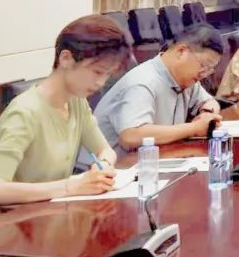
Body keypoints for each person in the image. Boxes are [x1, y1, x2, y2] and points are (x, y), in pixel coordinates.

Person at [0, 15, 131, 205]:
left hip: (54, 213)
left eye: (107, 75)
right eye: (97, 72)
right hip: (20, 219)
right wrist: (70, 187)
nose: (101, 83)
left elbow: (105, 151)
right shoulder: (24, 112)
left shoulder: (77, 102)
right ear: (66, 58)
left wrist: (103, 167)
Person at [86, 24, 224, 169]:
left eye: (209, 70)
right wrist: (194, 128)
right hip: (110, 171)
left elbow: (210, 102)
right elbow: (131, 136)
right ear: (181, 51)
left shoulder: (186, 79)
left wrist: (206, 113)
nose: (204, 74)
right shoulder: (143, 82)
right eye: (203, 65)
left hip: (153, 163)